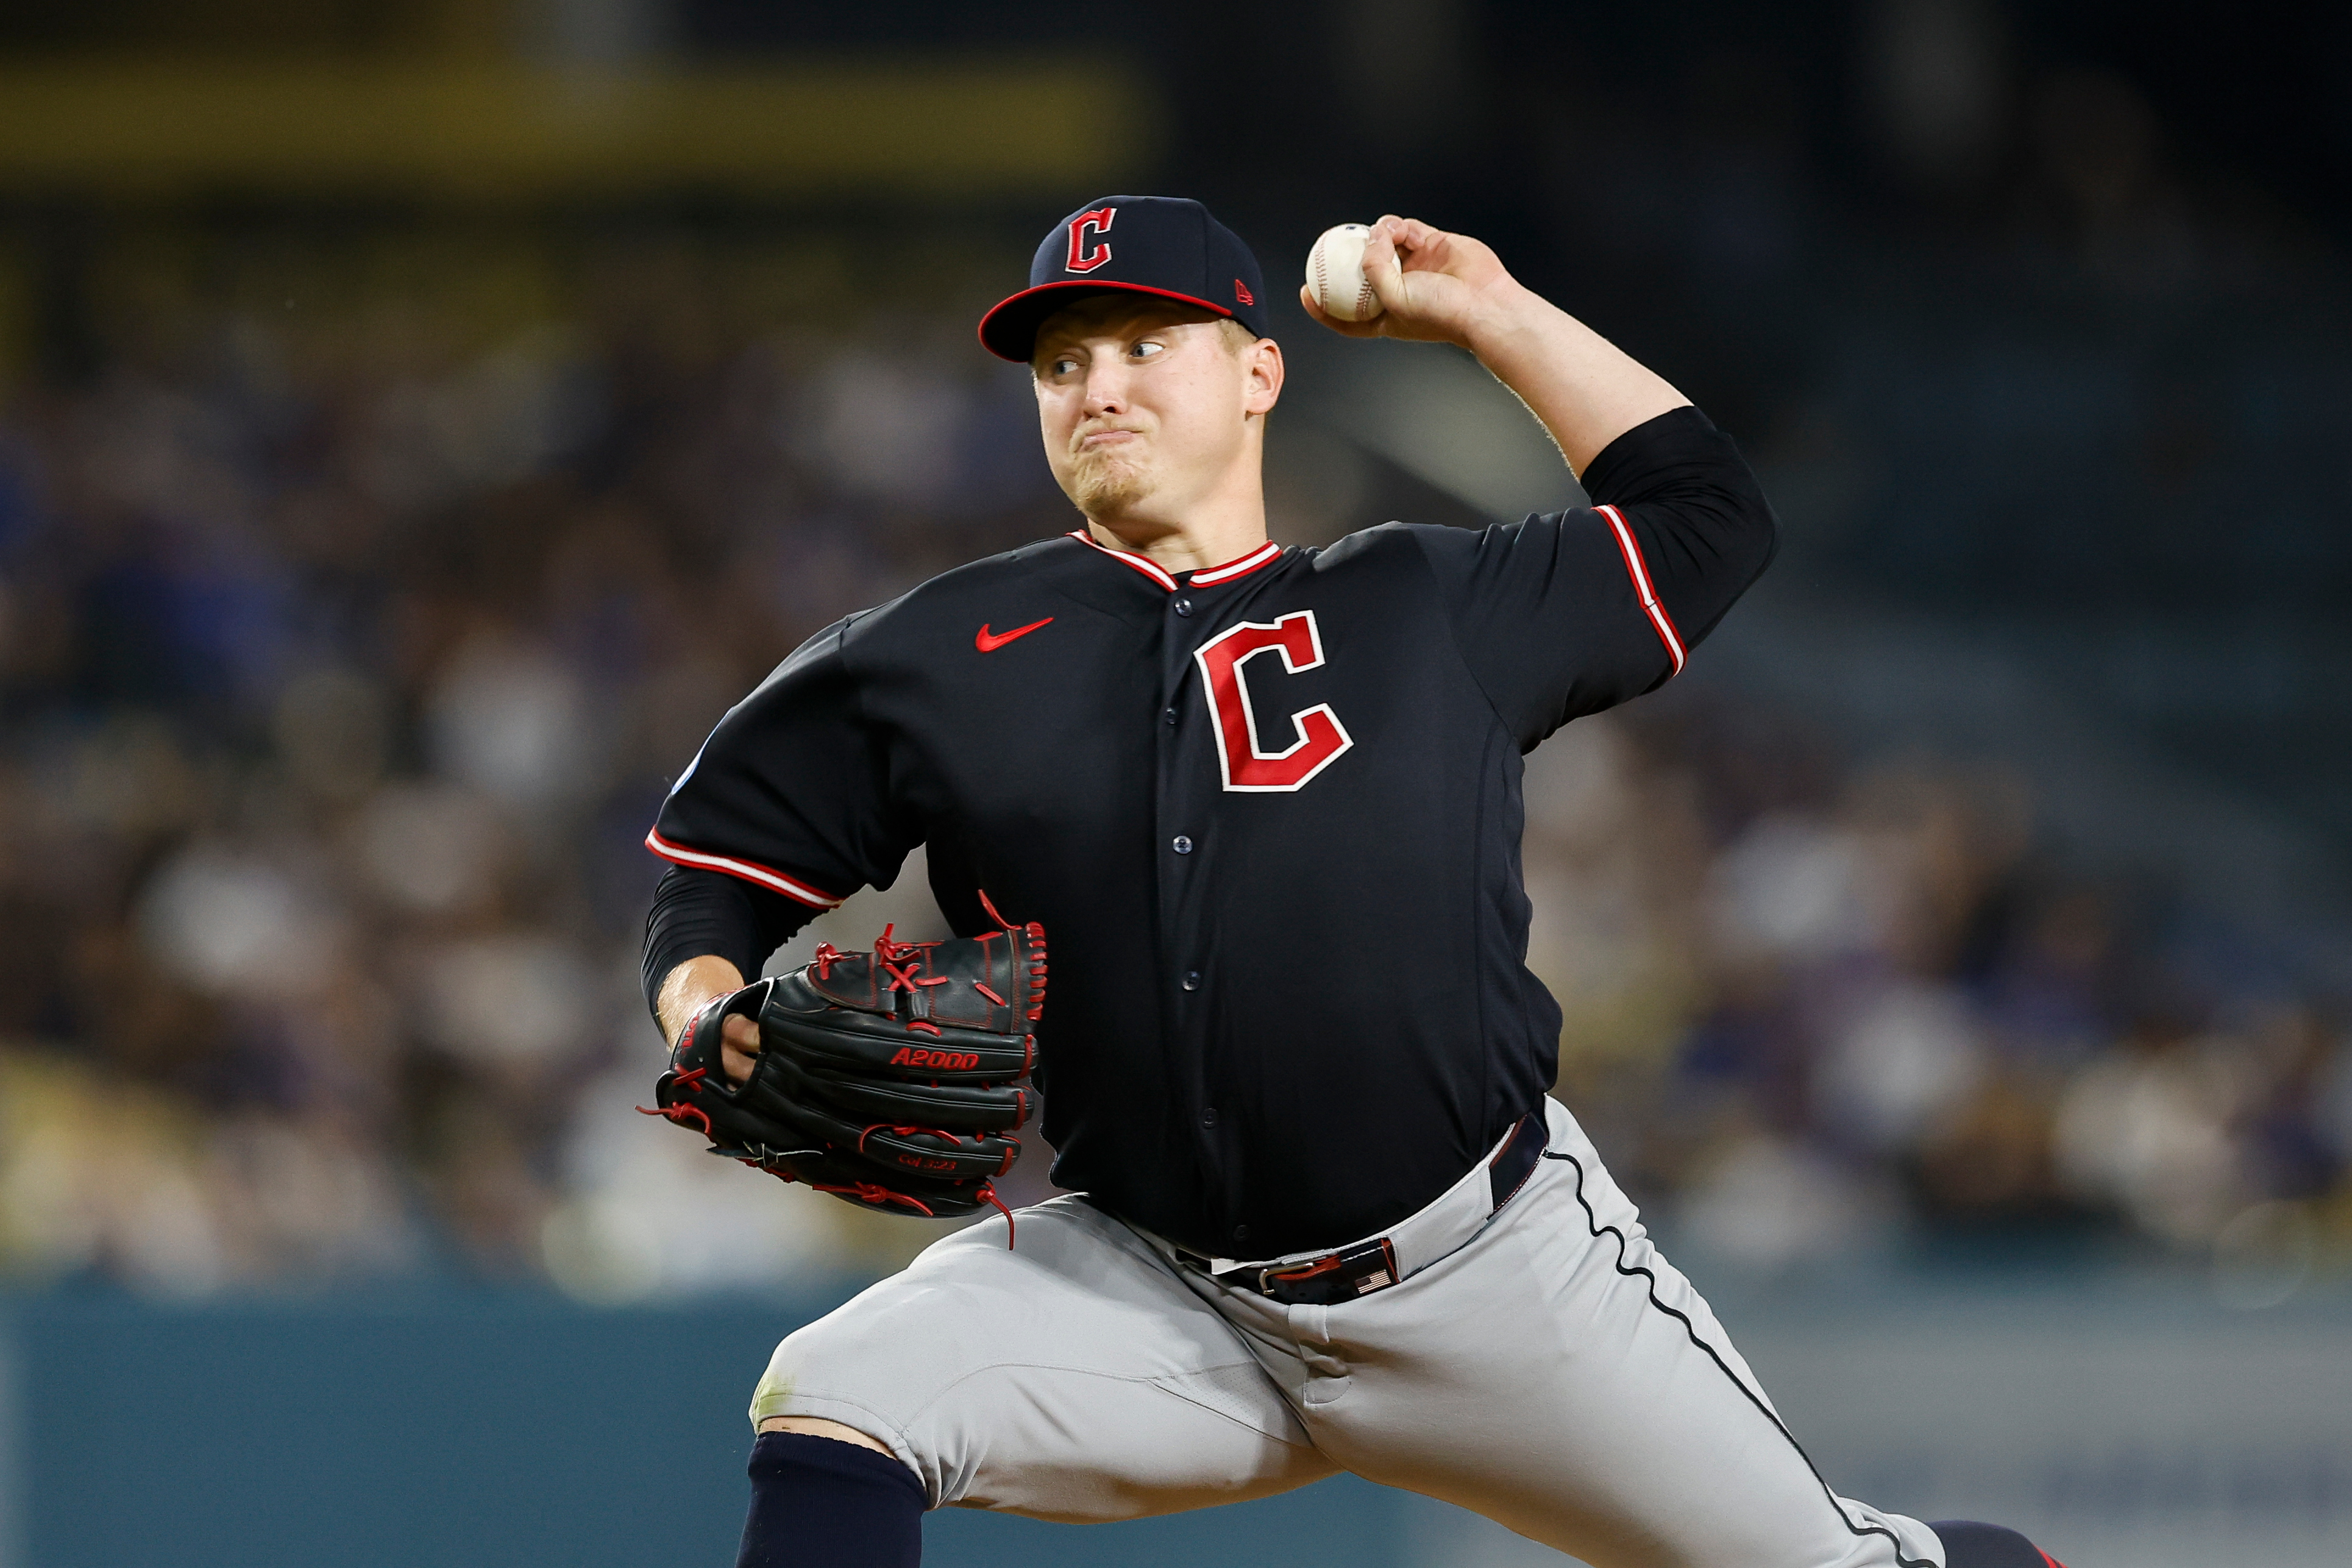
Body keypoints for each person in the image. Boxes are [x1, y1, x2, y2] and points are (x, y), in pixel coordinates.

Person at [641, 196, 2066, 1568]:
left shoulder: (1423, 602)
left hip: (1492, 1283)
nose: (1098, 387)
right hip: (1162, 1292)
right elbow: (711, 881)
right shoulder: (932, 655)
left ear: (1260, 372)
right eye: (1063, 362)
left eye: (1148, 343)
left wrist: (1487, 313)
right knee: (837, 1393)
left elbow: (1706, 518)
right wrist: (704, 1008)